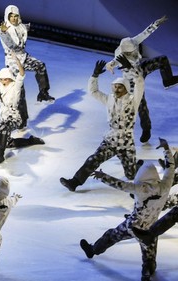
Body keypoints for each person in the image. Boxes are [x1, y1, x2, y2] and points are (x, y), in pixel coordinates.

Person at [79, 137, 175, 281]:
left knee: (111, 236)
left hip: (132, 226)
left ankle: (92, 250)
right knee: (148, 254)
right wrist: (166, 149)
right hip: (151, 228)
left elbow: (121, 185)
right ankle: (147, 272)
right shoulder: (165, 186)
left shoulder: (140, 188)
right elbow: (170, 169)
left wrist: (102, 176)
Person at [60, 57, 144, 192]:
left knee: (130, 174)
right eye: (115, 86)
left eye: (119, 87)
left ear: (126, 88)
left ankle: (137, 167)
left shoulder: (133, 100)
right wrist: (94, 76)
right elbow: (93, 92)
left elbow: (139, 82)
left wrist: (130, 69)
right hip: (111, 140)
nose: (116, 89)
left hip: (127, 143)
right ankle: (74, 182)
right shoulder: (109, 99)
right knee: (93, 159)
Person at [106, 15, 178, 143]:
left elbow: (145, 33)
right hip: (133, 79)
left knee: (162, 59)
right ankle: (146, 129)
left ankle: (168, 80)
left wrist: (156, 23)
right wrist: (110, 66)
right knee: (141, 104)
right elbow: (112, 63)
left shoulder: (133, 41)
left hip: (141, 68)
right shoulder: (120, 56)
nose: (135, 51)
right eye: (132, 51)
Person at [0, 48, 45, 164]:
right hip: (3, 116)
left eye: (6, 78)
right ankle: (30, 141)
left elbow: (22, 73)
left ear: (10, 78)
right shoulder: (0, 85)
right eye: (2, 78)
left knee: (2, 128)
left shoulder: (16, 86)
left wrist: (16, 60)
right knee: (7, 142)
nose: (4, 80)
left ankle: (0, 155)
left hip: (14, 117)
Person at [0, 5, 55, 128]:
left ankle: (43, 92)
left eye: (15, 16)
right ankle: (22, 120)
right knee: (20, 93)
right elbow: (11, 44)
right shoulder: (4, 29)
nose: (13, 18)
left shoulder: (21, 26)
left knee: (40, 65)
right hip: (13, 61)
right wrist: (3, 32)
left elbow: (26, 27)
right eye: (11, 16)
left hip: (23, 56)